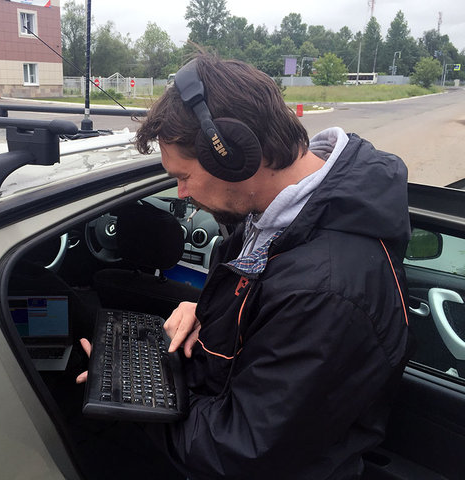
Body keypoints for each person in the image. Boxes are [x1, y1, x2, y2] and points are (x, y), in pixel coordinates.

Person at [80, 53, 412, 479]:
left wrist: (128, 396)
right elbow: (264, 312)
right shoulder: (274, 219)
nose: (180, 194)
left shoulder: (327, 293)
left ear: (232, 155)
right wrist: (206, 312)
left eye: (183, 176)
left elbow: (242, 451)